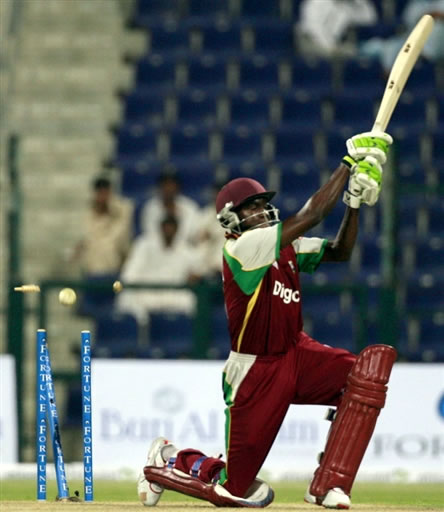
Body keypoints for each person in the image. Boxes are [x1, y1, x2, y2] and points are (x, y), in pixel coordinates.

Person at [137, 131, 398, 509]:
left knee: (363, 377)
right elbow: (312, 215)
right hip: (257, 371)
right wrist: (347, 164)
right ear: (231, 220)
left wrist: (353, 202)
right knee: (235, 491)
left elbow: (340, 252)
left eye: (262, 204)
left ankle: (328, 485)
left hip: (296, 352)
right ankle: (168, 459)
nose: (260, 211)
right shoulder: (241, 248)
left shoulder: (283, 245)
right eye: (250, 207)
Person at [115, 215, 201, 326]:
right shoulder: (144, 245)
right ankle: (141, 336)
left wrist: (193, 277)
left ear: (177, 230)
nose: (169, 230)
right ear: (161, 228)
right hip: (147, 292)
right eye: (166, 227)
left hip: (173, 295)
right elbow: (129, 274)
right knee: (125, 298)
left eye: (172, 227)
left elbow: (197, 272)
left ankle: (185, 337)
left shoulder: (186, 250)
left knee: (191, 301)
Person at [71, 176, 134, 277]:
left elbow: (121, 238)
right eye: (100, 193)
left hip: (115, 267)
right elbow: (87, 237)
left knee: (107, 246)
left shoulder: (123, 209)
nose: (103, 197)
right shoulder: (89, 214)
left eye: (106, 193)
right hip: (92, 269)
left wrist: (111, 210)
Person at [359, 0, 444, 72]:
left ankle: (421, 58)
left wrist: (434, 16)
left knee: (437, 28)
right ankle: (391, 81)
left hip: (437, 45)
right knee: (389, 46)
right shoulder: (416, 3)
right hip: (413, 39)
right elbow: (408, 24)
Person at [297, 0, 378, 57]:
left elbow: (370, 19)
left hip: (335, 46)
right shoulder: (314, 3)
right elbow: (315, 31)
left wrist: (359, 2)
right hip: (311, 42)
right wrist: (331, 48)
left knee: (355, 53)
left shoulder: (346, 7)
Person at [139, 171, 200, 244]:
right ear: (159, 187)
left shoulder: (190, 207)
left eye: (172, 185)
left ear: (178, 187)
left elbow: (191, 234)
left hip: (184, 248)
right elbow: (150, 234)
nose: (168, 188)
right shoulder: (150, 208)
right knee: (141, 242)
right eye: (165, 185)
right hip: (158, 249)